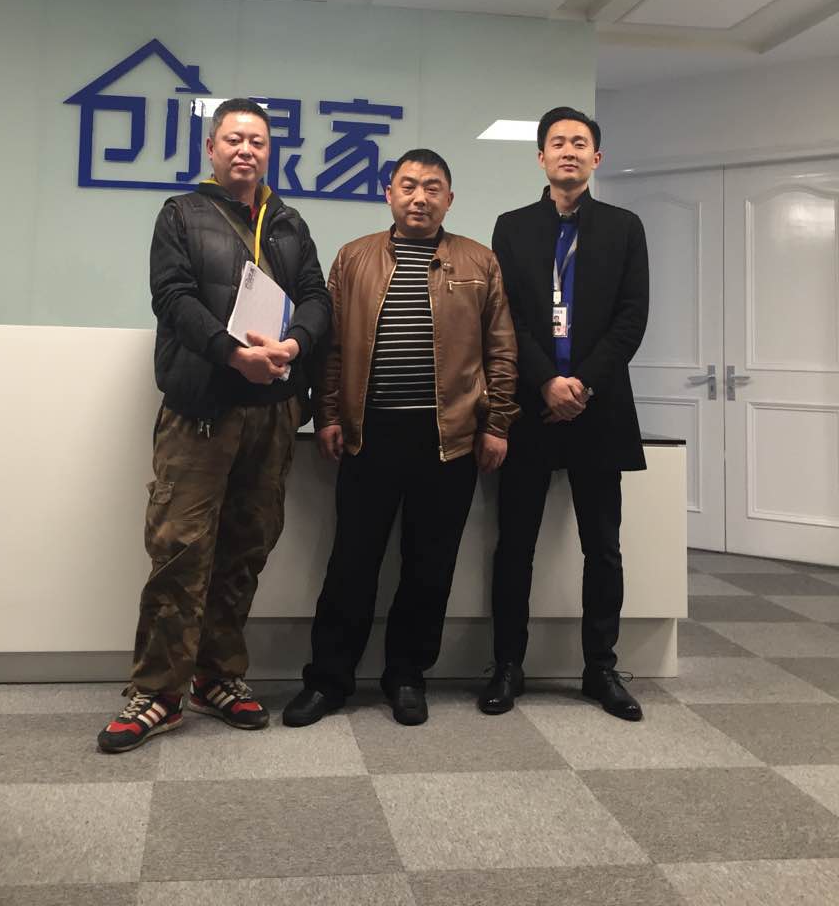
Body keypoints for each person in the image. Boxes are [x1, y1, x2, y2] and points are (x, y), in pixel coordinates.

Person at [98, 98, 331, 752]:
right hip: (201, 409)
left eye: (257, 141)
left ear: (269, 151)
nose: (245, 150)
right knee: (179, 548)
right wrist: (232, 354)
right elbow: (172, 298)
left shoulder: (288, 223)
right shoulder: (182, 214)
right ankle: (157, 691)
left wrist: (294, 346)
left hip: (273, 413)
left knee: (244, 551)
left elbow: (317, 298)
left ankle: (218, 676)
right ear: (211, 148)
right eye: (233, 139)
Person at [282, 149, 519, 729]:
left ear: (449, 199)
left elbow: (501, 349)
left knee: (429, 565)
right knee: (352, 562)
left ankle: (407, 676)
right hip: (370, 433)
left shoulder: (479, 260)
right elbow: (331, 348)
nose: (420, 197)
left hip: (450, 437)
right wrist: (328, 414)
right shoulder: (354, 257)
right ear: (388, 193)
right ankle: (328, 680)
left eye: (432, 187)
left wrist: (497, 424)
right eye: (408, 186)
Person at [481, 107, 649, 722]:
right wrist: (546, 381)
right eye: (558, 143)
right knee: (514, 546)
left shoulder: (624, 227)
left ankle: (600, 668)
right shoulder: (512, 228)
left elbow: (632, 316)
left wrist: (581, 384)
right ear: (541, 157)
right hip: (529, 408)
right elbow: (504, 317)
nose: (569, 152)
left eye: (580, 143)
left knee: (603, 547)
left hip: (599, 410)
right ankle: (507, 665)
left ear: (596, 158)